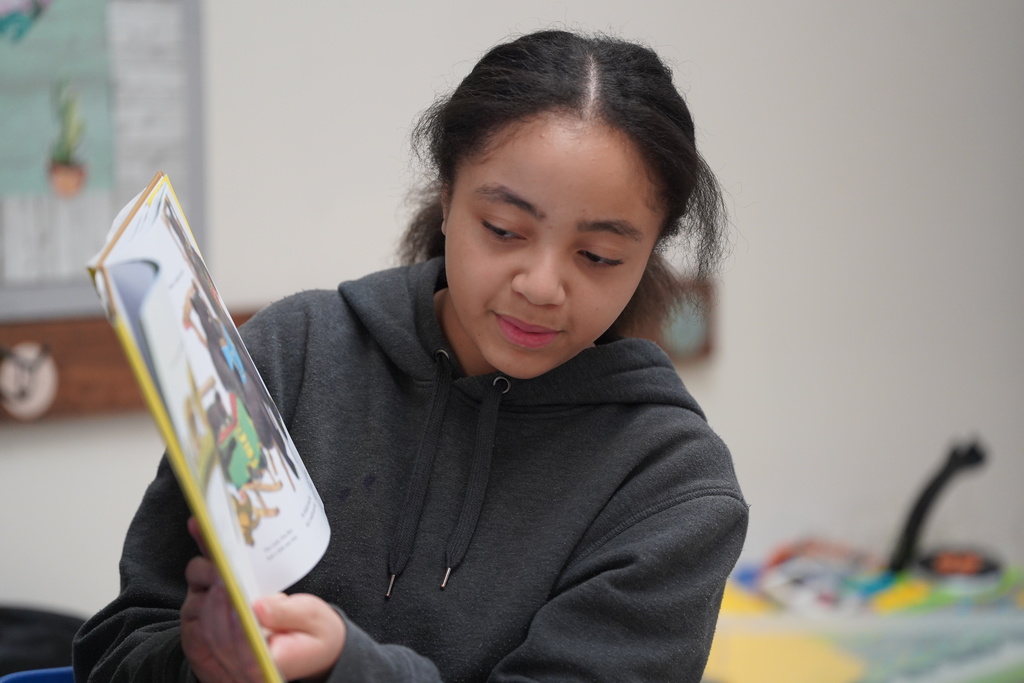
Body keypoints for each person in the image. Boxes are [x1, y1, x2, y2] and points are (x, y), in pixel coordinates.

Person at [73, 29, 747, 682]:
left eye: (598, 256)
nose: (542, 285)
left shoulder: (673, 487)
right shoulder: (290, 357)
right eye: (504, 229)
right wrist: (202, 667)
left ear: (649, 253)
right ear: (448, 197)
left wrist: (349, 668)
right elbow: (116, 647)